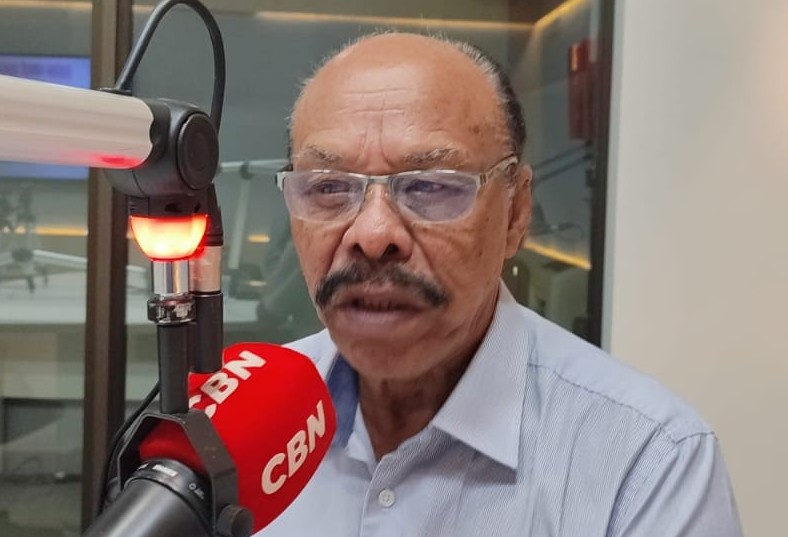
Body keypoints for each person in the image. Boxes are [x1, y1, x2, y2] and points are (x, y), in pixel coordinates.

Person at [260, 33, 743, 536]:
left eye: (430, 185)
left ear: (516, 213)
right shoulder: (239, 429)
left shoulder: (649, 463)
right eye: (329, 187)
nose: (374, 234)